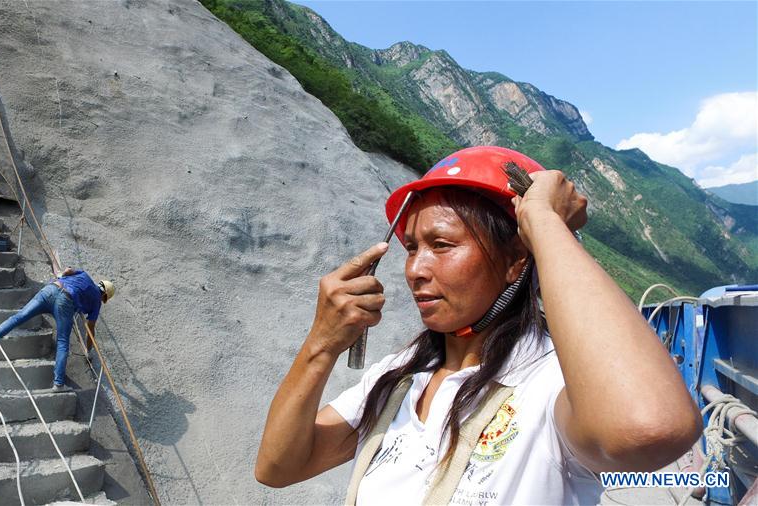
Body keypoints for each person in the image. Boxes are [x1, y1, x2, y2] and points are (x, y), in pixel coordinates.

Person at [254, 146, 702, 505]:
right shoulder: (399, 378)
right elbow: (279, 466)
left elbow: (649, 428)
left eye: (442, 245)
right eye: (412, 247)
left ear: (516, 261)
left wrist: (544, 223)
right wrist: (322, 342)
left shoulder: (549, 384)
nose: (416, 269)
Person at [0, 268, 115, 391]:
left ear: (100, 284)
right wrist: (88, 350)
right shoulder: (97, 301)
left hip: (50, 289)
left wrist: (62, 276)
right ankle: (58, 384)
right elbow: (91, 327)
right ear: (104, 295)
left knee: (17, 318)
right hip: (66, 302)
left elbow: (67, 270)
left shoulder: (84, 275)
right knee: (63, 341)